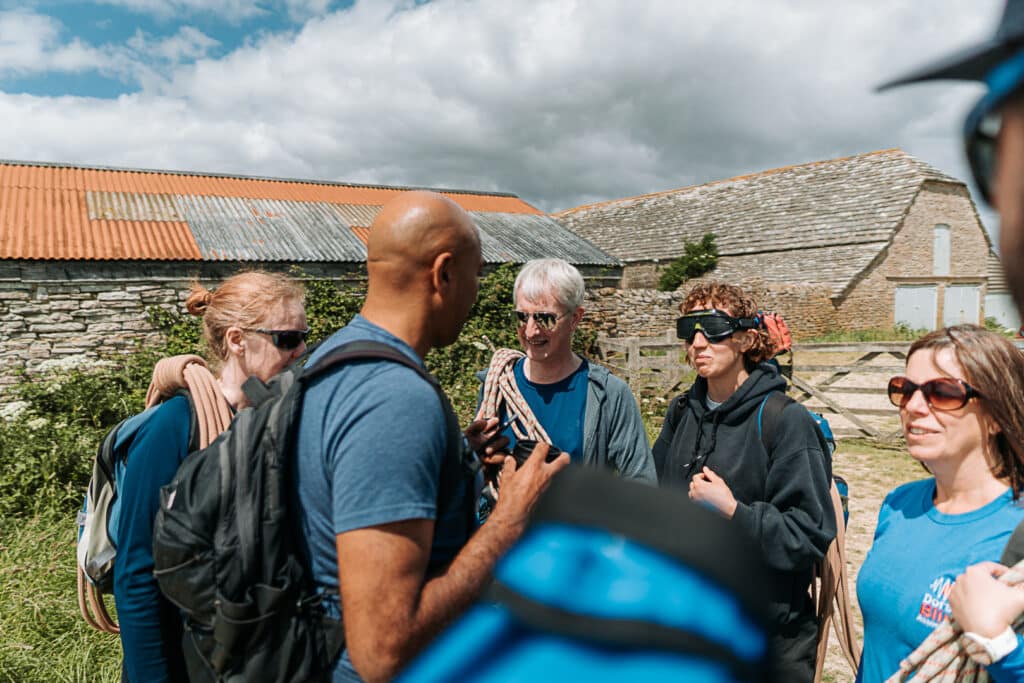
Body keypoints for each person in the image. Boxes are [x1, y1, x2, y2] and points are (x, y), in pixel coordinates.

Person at [291, 191, 568, 683]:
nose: (477, 294)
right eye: (477, 275)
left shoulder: (331, 358)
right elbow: (384, 652)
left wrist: (455, 463)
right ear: (443, 273)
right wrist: (510, 518)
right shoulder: (396, 399)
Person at [115, 270, 308, 683]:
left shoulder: (277, 421)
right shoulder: (172, 427)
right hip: (188, 662)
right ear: (237, 340)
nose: (301, 350)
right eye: (288, 339)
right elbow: (135, 574)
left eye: (304, 337)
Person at [651, 281, 835, 682]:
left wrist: (733, 512)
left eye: (712, 328)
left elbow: (808, 535)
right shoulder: (682, 412)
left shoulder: (785, 421)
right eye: (688, 330)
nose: (698, 343)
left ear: (746, 338)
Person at [854, 325, 1024, 682]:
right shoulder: (899, 504)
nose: (914, 407)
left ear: (996, 415)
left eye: (943, 392)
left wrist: (997, 643)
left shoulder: (1017, 536)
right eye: (905, 390)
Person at [475, 258, 656, 483]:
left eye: (545, 319)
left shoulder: (609, 394)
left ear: (575, 319)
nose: (531, 331)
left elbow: (641, 483)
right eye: (522, 317)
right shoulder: (497, 385)